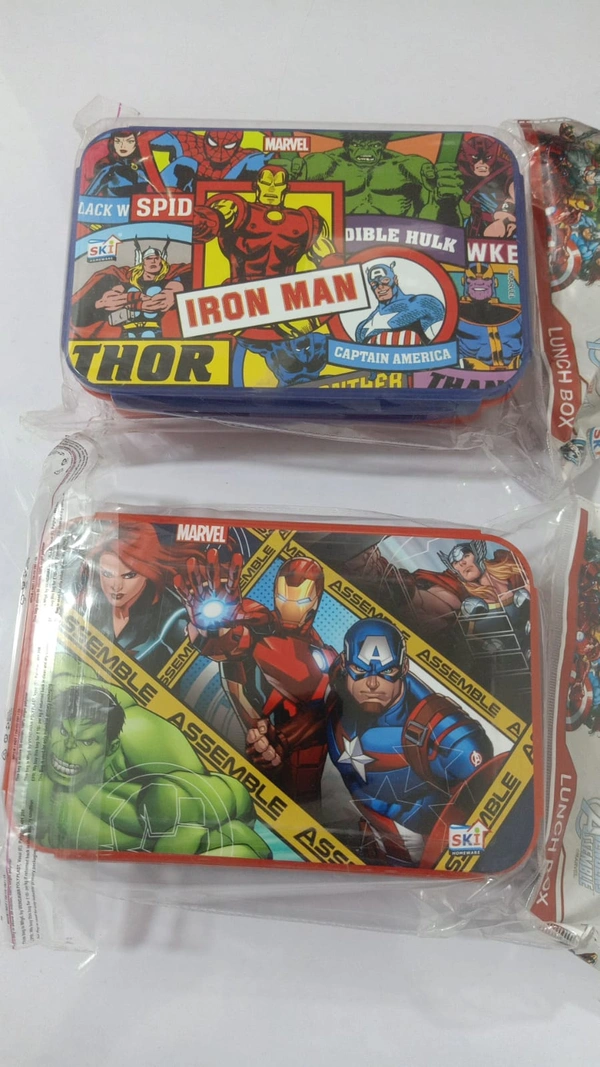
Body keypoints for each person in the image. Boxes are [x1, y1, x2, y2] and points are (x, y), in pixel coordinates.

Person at [24, 656, 270, 858]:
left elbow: (227, 804)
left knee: (171, 802)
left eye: (86, 741)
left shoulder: (137, 732)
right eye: (63, 732)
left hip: (184, 833)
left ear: (111, 747)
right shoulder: (42, 707)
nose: (68, 747)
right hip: (79, 850)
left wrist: (168, 859)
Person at [192, 163, 336, 282]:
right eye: (266, 183)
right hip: (241, 295)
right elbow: (203, 227)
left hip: (284, 297)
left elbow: (329, 261)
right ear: (256, 186)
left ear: (286, 188)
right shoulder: (236, 210)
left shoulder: (305, 221)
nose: (271, 189)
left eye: (278, 184)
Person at [71, 239, 192, 340]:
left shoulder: (171, 279)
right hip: (125, 338)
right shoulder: (124, 281)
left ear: (162, 260)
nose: (153, 261)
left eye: (156, 258)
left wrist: (178, 291)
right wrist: (101, 304)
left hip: (159, 336)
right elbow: (86, 310)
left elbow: (194, 274)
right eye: (149, 258)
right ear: (142, 261)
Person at [356, 262, 444, 345]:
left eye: (385, 280)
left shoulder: (424, 303)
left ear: (395, 280)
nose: (380, 287)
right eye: (374, 283)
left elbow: (435, 311)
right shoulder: (363, 326)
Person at [85, 130, 151, 197]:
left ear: (136, 143)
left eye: (129, 141)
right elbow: (88, 197)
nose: (123, 146)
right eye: (118, 141)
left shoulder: (143, 167)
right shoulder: (109, 170)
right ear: (113, 143)